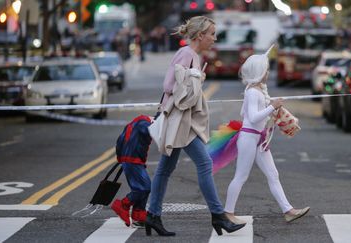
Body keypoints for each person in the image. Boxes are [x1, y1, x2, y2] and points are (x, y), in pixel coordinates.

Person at [146, 16, 246, 237]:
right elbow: (169, 85)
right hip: (181, 121)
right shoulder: (186, 54)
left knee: (165, 168)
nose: (214, 38)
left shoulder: (193, 56)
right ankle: (218, 215)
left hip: (183, 120)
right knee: (204, 163)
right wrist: (193, 77)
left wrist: (195, 77)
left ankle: (152, 215)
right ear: (200, 35)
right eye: (211, 33)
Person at [223, 51, 310, 224]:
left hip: (258, 139)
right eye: (266, 70)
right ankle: (227, 213)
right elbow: (254, 117)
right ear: (258, 71)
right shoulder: (253, 92)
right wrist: (272, 107)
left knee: (273, 174)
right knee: (241, 176)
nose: (268, 73)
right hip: (249, 138)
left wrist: (271, 109)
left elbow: (245, 113)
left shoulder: (254, 90)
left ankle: (288, 210)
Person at [111, 115, 153, 228]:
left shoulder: (133, 123)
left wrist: (120, 158)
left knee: (140, 188)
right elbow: (151, 130)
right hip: (134, 160)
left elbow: (119, 140)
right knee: (144, 187)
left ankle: (138, 215)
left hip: (129, 160)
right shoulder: (145, 123)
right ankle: (123, 204)